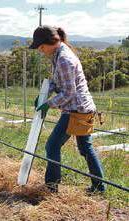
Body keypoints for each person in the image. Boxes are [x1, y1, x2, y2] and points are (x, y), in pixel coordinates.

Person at [29, 25, 106, 193]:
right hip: (82, 108)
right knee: (86, 148)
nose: (41, 50)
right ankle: (99, 187)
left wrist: (48, 103)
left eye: (41, 46)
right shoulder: (57, 55)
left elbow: (69, 93)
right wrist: (45, 93)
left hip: (76, 110)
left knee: (52, 146)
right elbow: (58, 82)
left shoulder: (64, 59)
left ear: (51, 42)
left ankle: (52, 187)